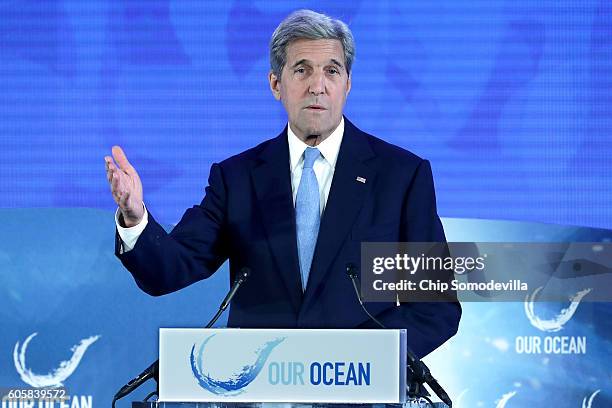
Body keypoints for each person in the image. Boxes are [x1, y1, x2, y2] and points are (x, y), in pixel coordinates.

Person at [104, 9, 460, 358]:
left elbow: (434, 308)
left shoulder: (401, 176)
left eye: (331, 71)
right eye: (302, 70)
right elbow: (169, 270)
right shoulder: (237, 178)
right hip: (257, 388)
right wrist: (135, 219)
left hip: (358, 390)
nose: (317, 86)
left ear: (347, 84)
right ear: (276, 83)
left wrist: (363, 360)